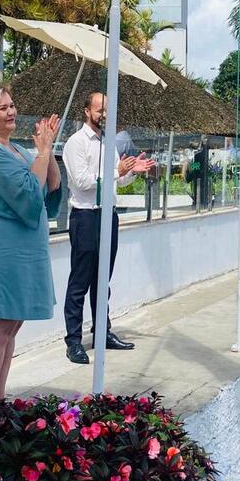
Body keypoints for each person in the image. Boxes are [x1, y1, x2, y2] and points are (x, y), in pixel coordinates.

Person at [0, 83, 61, 401]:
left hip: (22, 251)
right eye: (2, 108)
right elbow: (28, 197)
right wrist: (43, 152)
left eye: (12, 105)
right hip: (0, 250)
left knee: (10, 328)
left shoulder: (17, 150)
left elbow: (50, 188)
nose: (11, 111)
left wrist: (49, 149)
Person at [62, 91, 155, 365]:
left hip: (107, 216)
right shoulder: (76, 143)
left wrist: (130, 172)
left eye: (107, 110)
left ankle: (102, 332)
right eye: (100, 109)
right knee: (80, 281)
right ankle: (74, 341)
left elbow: (115, 183)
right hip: (85, 216)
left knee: (103, 280)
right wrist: (116, 171)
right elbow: (81, 181)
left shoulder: (108, 142)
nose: (104, 114)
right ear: (86, 111)